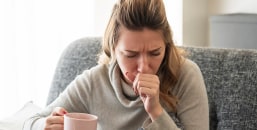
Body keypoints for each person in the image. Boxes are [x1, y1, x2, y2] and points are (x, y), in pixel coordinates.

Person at [24, 0, 209, 130]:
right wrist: (44, 125)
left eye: (155, 53)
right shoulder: (94, 82)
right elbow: (31, 120)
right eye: (131, 54)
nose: (144, 67)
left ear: (167, 46)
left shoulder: (186, 75)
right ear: (112, 49)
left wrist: (155, 111)